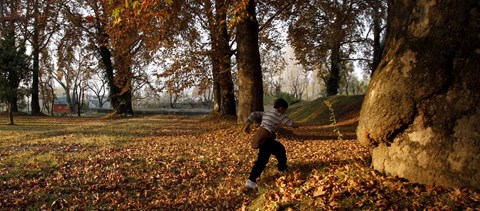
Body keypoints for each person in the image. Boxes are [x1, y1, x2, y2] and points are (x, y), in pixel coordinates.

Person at [243, 98, 298, 190]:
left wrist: (248, 123)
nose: (285, 111)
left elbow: (254, 114)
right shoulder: (280, 115)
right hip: (266, 139)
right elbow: (290, 123)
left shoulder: (267, 113)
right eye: (285, 109)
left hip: (262, 137)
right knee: (263, 159)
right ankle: (251, 181)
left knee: (280, 149)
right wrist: (295, 125)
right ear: (280, 108)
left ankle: (282, 167)